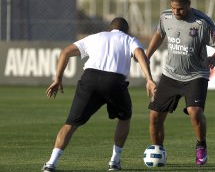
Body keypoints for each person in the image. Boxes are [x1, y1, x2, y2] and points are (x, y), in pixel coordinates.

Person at [42, 17, 156, 172]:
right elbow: (140, 54)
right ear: (126, 31)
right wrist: (148, 78)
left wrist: (58, 79)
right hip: (114, 82)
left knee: (70, 124)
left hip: (90, 80)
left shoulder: (95, 37)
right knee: (124, 118)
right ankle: (114, 161)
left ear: (110, 29)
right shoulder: (129, 39)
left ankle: (51, 163)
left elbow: (65, 53)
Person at [146, 0, 215, 165]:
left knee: (195, 112)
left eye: (180, 9)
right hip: (170, 74)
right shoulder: (165, 17)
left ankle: (201, 145)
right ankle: (158, 151)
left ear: (189, 5)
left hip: (196, 75)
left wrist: (213, 58)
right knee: (154, 116)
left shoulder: (201, 23)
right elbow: (159, 35)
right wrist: (148, 54)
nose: (176, 12)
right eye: (173, 8)